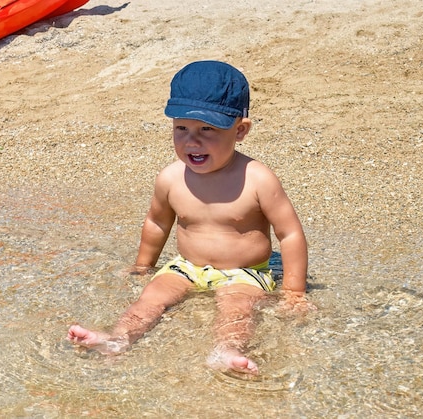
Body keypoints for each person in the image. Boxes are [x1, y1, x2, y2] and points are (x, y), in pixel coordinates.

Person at [67, 60, 313, 376]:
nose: (191, 141)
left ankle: (227, 350)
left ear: (240, 131)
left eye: (207, 130)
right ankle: (118, 338)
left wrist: (294, 292)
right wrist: (144, 265)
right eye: (181, 128)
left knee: (236, 307)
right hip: (185, 267)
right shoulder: (171, 178)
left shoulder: (257, 179)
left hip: (243, 272)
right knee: (150, 298)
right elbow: (157, 223)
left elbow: (289, 234)